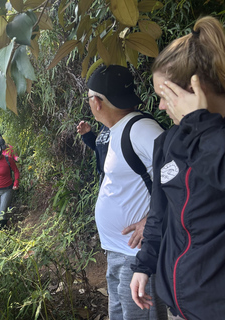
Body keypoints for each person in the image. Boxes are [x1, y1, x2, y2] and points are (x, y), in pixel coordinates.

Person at [130, 16, 225, 320]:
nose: (159, 106)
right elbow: (160, 213)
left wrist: (202, 126)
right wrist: (144, 265)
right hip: (178, 306)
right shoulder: (168, 143)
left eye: (164, 96)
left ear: (194, 90)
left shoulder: (214, 137)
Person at [86, 65, 167, 320]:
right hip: (119, 251)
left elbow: (181, 177)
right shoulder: (116, 129)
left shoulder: (141, 129)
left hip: (138, 256)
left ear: (97, 102)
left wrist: (151, 221)